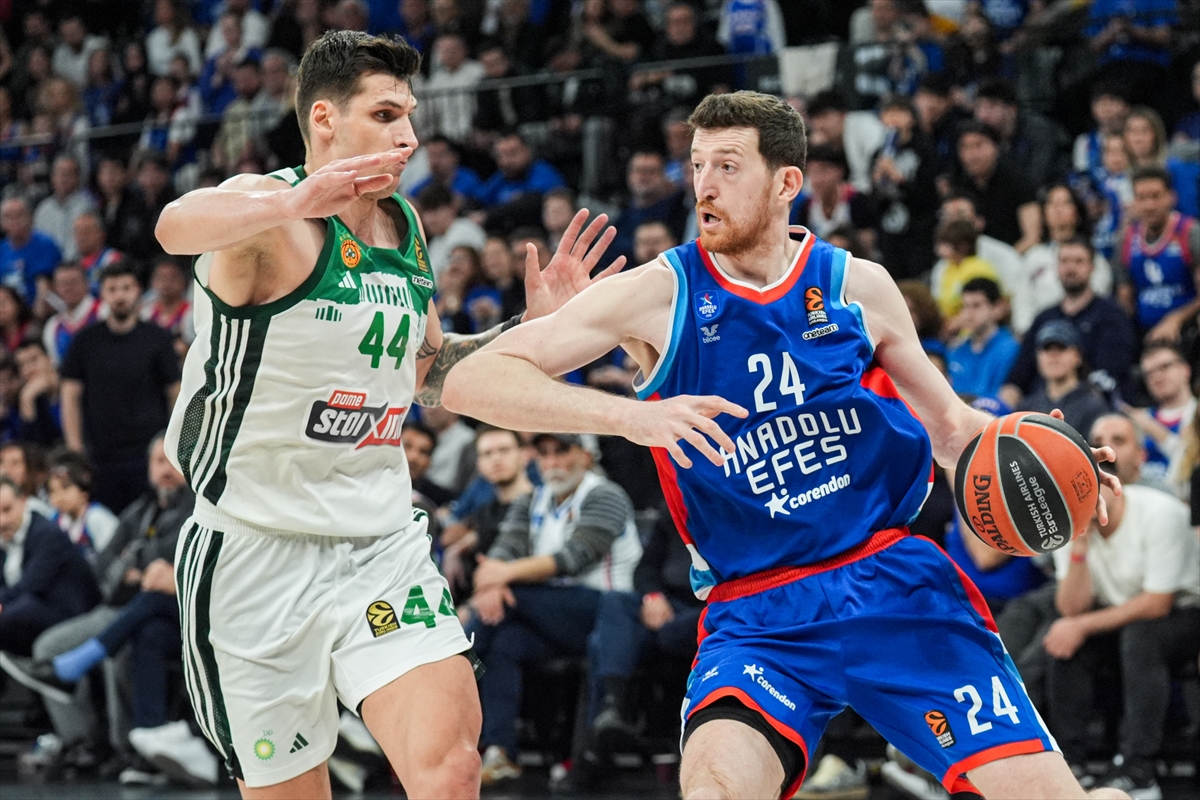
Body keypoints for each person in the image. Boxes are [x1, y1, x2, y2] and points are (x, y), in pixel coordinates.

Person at [442, 90, 1124, 800]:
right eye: (697, 165)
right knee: (715, 790)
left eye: (728, 165)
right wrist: (632, 418)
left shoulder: (859, 286)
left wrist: (1061, 461)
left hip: (891, 586)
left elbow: (952, 430)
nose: (704, 185)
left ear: (786, 182)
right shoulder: (659, 294)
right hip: (758, 616)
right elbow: (469, 381)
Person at [151, 29, 623, 799]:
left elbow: (429, 372)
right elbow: (174, 224)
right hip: (253, 550)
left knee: (453, 767)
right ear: (325, 119)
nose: (408, 137)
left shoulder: (404, 225)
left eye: (409, 116)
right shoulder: (266, 214)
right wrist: (292, 199)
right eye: (385, 115)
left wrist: (529, 333)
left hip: (378, 544)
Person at [465, 432, 642, 785]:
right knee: (505, 643)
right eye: (544, 453)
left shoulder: (606, 494)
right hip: (552, 614)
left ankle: (454, 669)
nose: (552, 462)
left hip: (607, 612)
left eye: (562, 451)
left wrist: (503, 576)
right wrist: (494, 580)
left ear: (586, 456)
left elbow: (573, 558)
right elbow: (502, 550)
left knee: (509, 600)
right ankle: (501, 751)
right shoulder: (532, 500)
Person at [1045, 476, 1200, 797]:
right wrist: (1079, 549)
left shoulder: (1160, 512)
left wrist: (1082, 625)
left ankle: (1139, 770)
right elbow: (1072, 609)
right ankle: (1070, 764)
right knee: (1064, 642)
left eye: (1088, 485)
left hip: (1183, 612)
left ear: (1113, 486)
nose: (1083, 497)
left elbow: (1158, 603)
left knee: (1140, 638)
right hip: (1118, 614)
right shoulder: (1066, 523)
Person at [60, 262, 181, 515]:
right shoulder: (86, 341)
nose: (120, 296)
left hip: (148, 453)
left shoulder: (157, 338)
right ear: (102, 294)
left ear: (138, 291)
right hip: (100, 456)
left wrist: (172, 443)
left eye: (126, 288)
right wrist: (75, 450)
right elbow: (69, 396)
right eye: (112, 289)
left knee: (150, 519)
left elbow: (175, 392)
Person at [1001, 238, 1137, 409]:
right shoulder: (1044, 318)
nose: (1070, 268)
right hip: (1039, 407)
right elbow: (1018, 376)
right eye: (1064, 261)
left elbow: (1111, 375)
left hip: (1094, 407)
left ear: (1092, 267)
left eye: (1079, 261)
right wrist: (1003, 405)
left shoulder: (1112, 316)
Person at [0, 477, 100, 656]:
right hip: (32, 610)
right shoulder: (4, 539)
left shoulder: (47, 535)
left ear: (23, 502)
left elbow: (30, 586)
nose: (2, 521)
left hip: (71, 613)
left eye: (7, 510)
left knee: (19, 611)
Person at [440, 426, 533, 602]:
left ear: (525, 455)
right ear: (479, 465)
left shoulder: (541, 505)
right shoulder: (485, 511)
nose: (496, 459)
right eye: (487, 453)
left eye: (504, 450)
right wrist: (455, 550)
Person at [1116, 166, 1200, 341]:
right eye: (1141, 198)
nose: (1149, 206)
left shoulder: (1189, 233)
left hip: (1188, 330)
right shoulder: (1126, 239)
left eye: (1156, 196)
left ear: (1172, 197)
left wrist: (1176, 319)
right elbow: (1125, 297)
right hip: (1144, 333)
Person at [951, 121, 1040, 253]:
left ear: (995, 147)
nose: (972, 154)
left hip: (1015, 254)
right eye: (965, 147)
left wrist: (1004, 260)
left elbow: (1032, 237)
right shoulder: (959, 185)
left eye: (979, 145)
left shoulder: (1018, 181)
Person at [1017, 321, 1111, 437]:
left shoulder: (1094, 407)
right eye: (1047, 349)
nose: (1053, 355)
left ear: (1077, 356)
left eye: (1061, 348)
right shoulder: (1026, 407)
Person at [1125, 343, 1196, 489]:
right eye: (1149, 373)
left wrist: (1157, 432)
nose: (1156, 377)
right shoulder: (1139, 418)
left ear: (1185, 370)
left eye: (1164, 367)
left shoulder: (1197, 415)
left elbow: (1191, 463)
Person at [947, 277, 1019, 399]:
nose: (968, 313)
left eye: (976, 306)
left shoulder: (1010, 349)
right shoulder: (956, 350)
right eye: (965, 306)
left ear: (996, 308)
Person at [0, 196, 62, 302]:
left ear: (30, 217)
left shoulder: (45, 245)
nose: (15, 220)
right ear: (2, 222)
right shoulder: (2, 250)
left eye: (19, 215)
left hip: (38, 306)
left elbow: (45, 287)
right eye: (8, 217)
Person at [42, 262, 102, 366]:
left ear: (86, 283)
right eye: (62, 284)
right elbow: (56, 366)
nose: (67, 288)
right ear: (55, 288)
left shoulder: (103, 312)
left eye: (73, 282)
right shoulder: (52, 327)